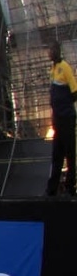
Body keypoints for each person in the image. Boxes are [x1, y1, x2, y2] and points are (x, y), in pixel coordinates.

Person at [46, 40, 77, 195]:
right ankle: (52, 189)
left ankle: (70, 186)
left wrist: (64, 106)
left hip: (66, 119)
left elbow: (74, 92)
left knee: (69, 153)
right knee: (56, 154)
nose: (48, 53)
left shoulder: (64, 67)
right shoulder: (53, 69)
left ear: (57, 51)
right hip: (57, 119)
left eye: (51, 49)